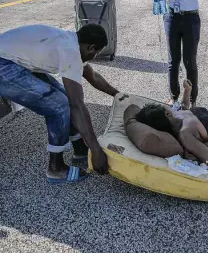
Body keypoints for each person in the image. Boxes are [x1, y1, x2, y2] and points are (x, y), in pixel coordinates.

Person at [0, 24, 120, 183]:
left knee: (64, 96)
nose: (95, 56)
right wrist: (96, 149)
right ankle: (55, 169)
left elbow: (93, 76)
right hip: (4, 64)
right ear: (91, 47)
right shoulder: (70, 51)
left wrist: (118, 95)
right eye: (97, 53)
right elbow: (77, 105)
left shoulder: (73, 42)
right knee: (59, 105)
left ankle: (79, 149)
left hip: (15, 60)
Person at [158, 0, 206, 107]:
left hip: (191, 18)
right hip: (171, 17)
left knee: (190, 61)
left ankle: (192, 100)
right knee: (173, 60)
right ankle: (174, 96)